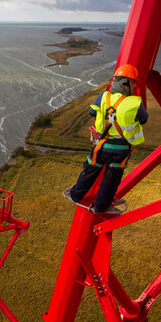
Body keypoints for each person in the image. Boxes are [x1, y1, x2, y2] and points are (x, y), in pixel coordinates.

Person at [64, 63, 148, 214]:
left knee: (89, 171)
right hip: (121, 149)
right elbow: (143, 119)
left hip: (101, 145)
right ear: (125, 84)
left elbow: (91, 112)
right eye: (134, 82)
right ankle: (101, 207)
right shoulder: (134, 103)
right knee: (111, 178)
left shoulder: (103, 96)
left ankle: (75, 195)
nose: (135, 86)